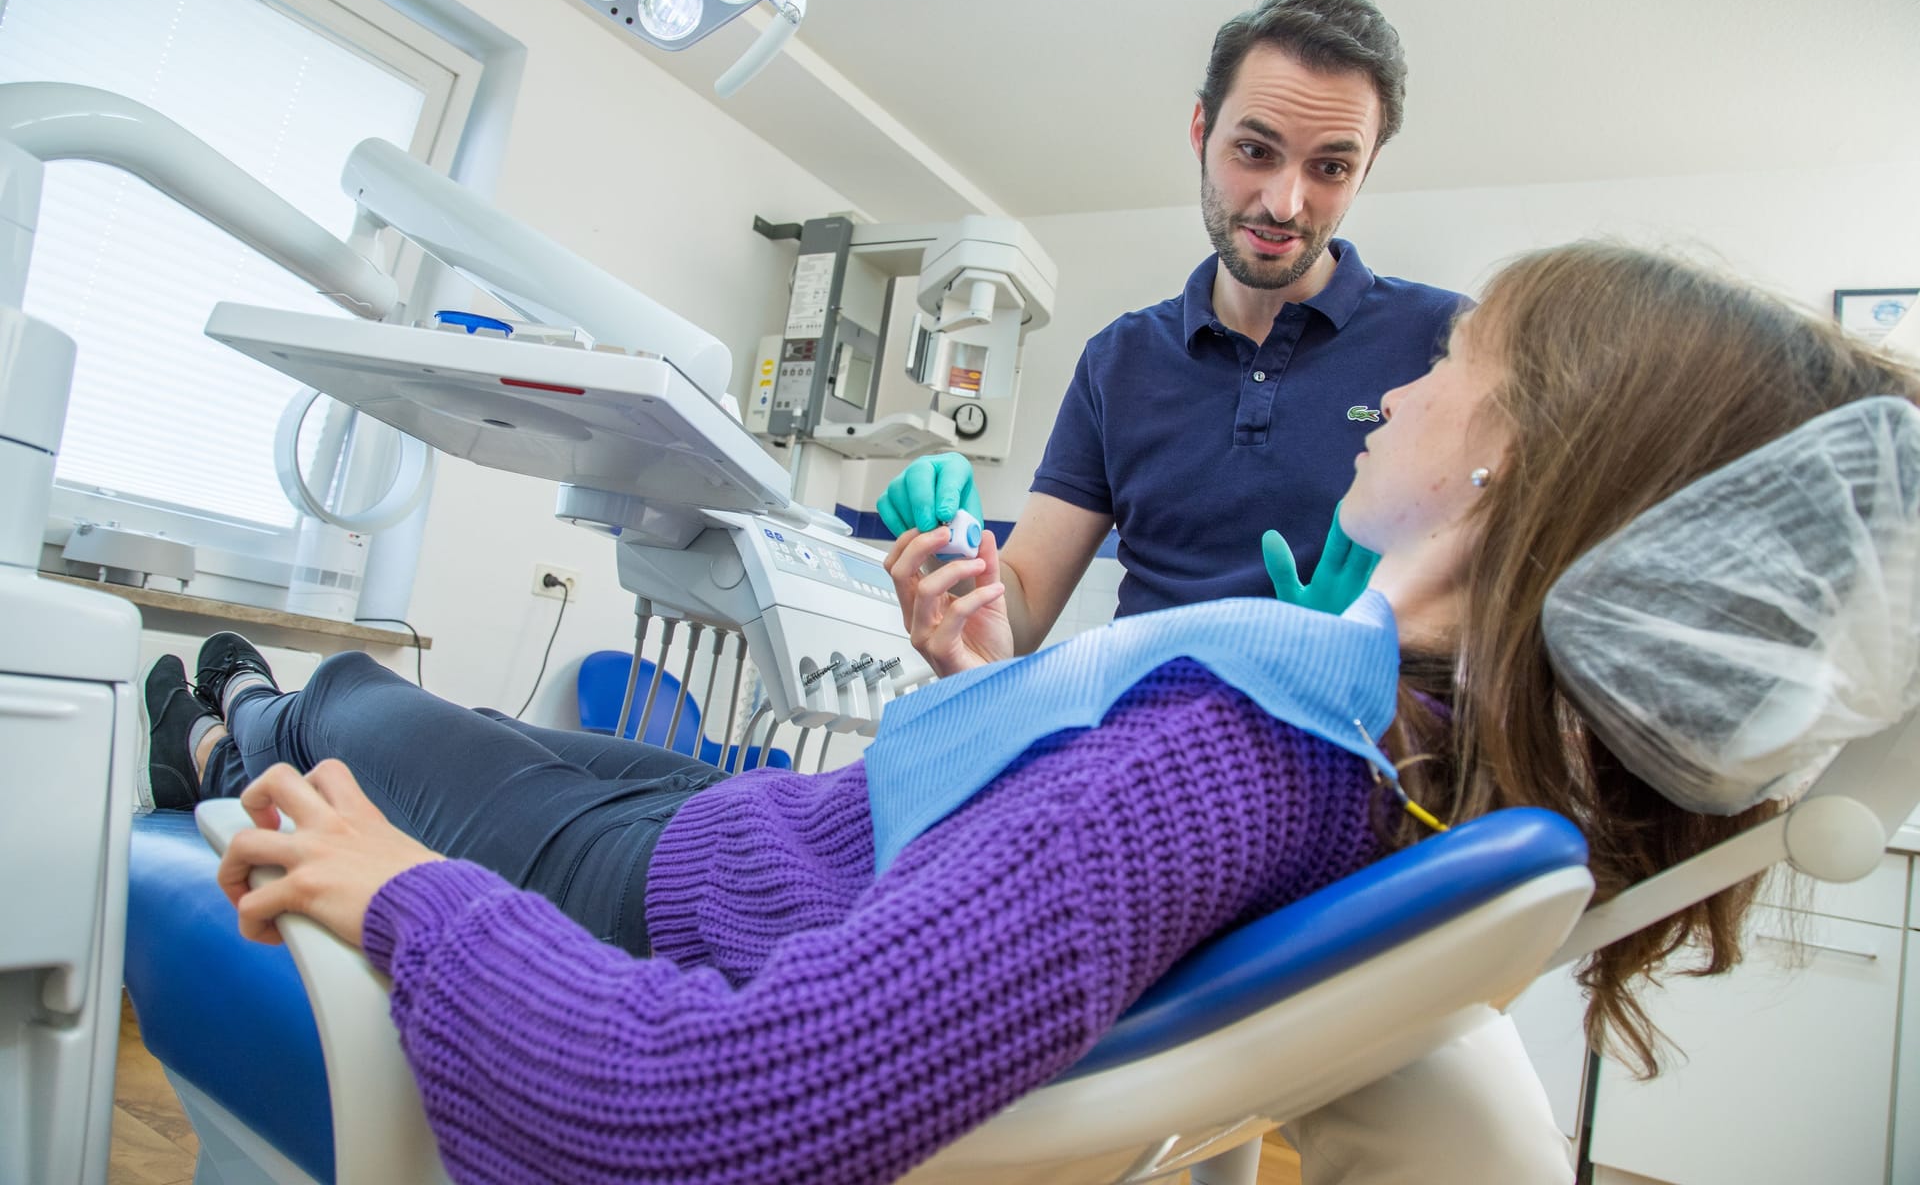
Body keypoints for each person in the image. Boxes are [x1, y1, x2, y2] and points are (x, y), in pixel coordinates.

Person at [148, 243, 1916, 1185]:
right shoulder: (1399, 753)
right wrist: (999, 678)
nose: (1400, 385)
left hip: (670, 893)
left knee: (356, 711)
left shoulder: (1257, 764)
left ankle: (231, 734)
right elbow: (1071, 841)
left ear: (1513, 450)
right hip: (777, 835)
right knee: (430, 713)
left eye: (1456, 364)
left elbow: (701, 1113)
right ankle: (257, 713)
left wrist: (404, 898)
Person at [879, 0, 1464, 676]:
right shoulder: (1119, 361)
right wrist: (957, 565)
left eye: (1331, 167)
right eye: (1255, 150)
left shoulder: (1449, 344)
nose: (1285, 202)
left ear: (1365, 169)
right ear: (1201, 132)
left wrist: (1370, 644)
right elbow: (1024, 605)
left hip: (1351, 755)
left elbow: (1510, 595)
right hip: (1138, 746)